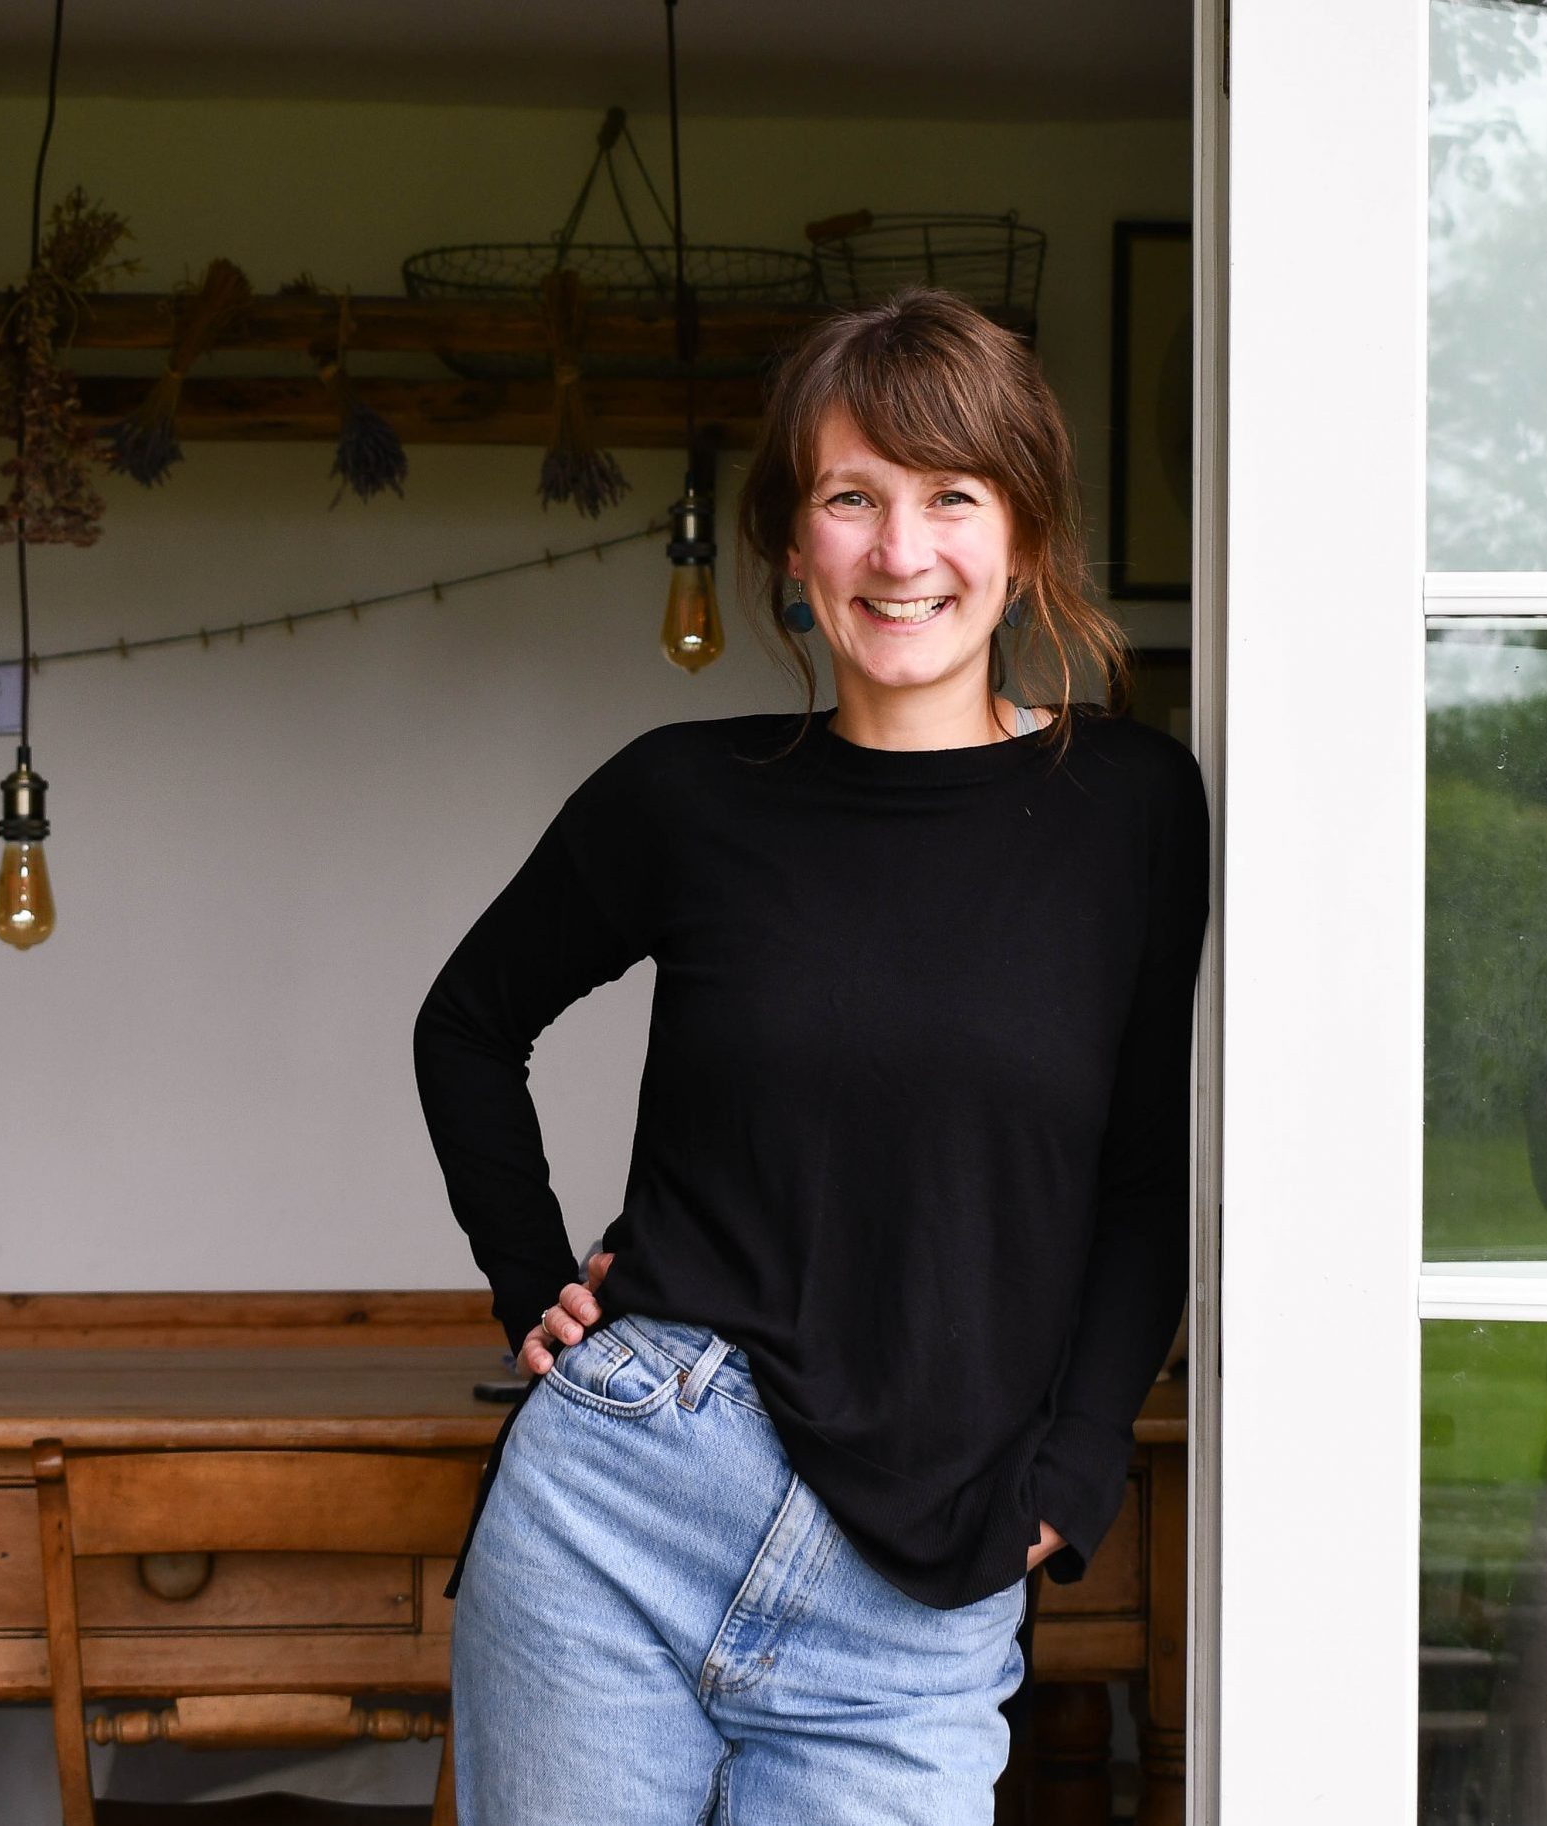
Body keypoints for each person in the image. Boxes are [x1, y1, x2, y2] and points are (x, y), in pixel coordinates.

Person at [412, 286, 1210, 1825]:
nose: (901, 552)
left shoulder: (1130, 807)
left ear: (1025, 533)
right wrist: (531, 1285)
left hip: (927, 1580)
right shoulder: (684, 796)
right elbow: (465, 1024)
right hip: (619, 1517)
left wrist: (1075, 1471)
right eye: (852, 498)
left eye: (951, 496)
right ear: (792, 542)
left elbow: (1141, 1173)